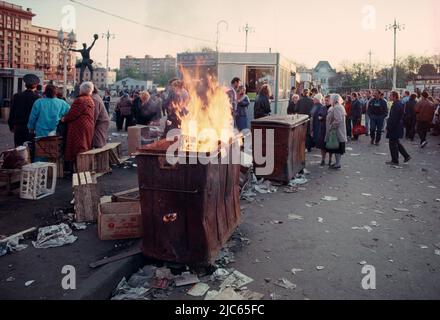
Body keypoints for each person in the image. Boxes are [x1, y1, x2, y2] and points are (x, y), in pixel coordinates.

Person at [62, 82, 95, 163]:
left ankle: (78, 166)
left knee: (78, 147)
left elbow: (72, 114)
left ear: (81, 90)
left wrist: (63, 119)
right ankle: (84, 165)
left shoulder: (80, 100)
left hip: (79, 127)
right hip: (88, 125)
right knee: (85, 145)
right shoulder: (90, 99)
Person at [8, 74, 40, 147]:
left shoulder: (16, 96)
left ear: (25, 85)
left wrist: (11, 126)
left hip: (18, 126)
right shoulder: (37, 98)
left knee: (18, 149)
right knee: (30, 148)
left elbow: (12, 112)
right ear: (35, 85)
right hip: (31, 128)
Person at [386, 91, 411, 165]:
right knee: (396, 143)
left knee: (392, 144)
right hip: (397, 126)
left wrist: (389, 127)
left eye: (390, 96)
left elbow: (394, 118)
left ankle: (395, 160)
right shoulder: (399, 104)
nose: (389, 97)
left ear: (394, 96)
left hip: (395, 127)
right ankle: (406, 156)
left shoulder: (396, 105)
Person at [325, 94, 347, 170]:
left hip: (337, 132)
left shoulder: (337, 107)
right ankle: (337, 163)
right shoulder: (340, 106)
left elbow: (337, 120)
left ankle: (338, 164)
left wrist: (331, 127)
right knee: (337, 148)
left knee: (337, 147)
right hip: (339, 131)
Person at [317, 95, 332, 166]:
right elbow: (319, 115)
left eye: (327, 100)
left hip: (330, 129)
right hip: (322, 128)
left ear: (330, 100)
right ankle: (323, 159)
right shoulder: (322, 107)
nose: (326, 102)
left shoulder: (332, 108)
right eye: (325, 100)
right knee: (322, 145)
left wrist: (324, 117)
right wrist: (320, 117)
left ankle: (330, 160)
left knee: (330, 145)